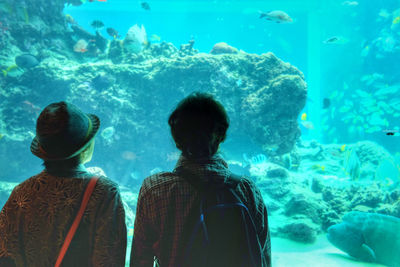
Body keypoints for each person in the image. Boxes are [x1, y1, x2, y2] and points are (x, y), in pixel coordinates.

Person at [130, 92, 271, 266]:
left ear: (176, 138)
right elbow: (263, 255)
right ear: (222, 135)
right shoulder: (247, 189)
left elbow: (140, 258)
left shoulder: (155, 189)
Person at [0, 101, 127, 267]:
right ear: (85, 146)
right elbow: (109, 259)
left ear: (43, 149)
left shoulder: (21, 192)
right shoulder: (104, 192)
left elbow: (4, 255)